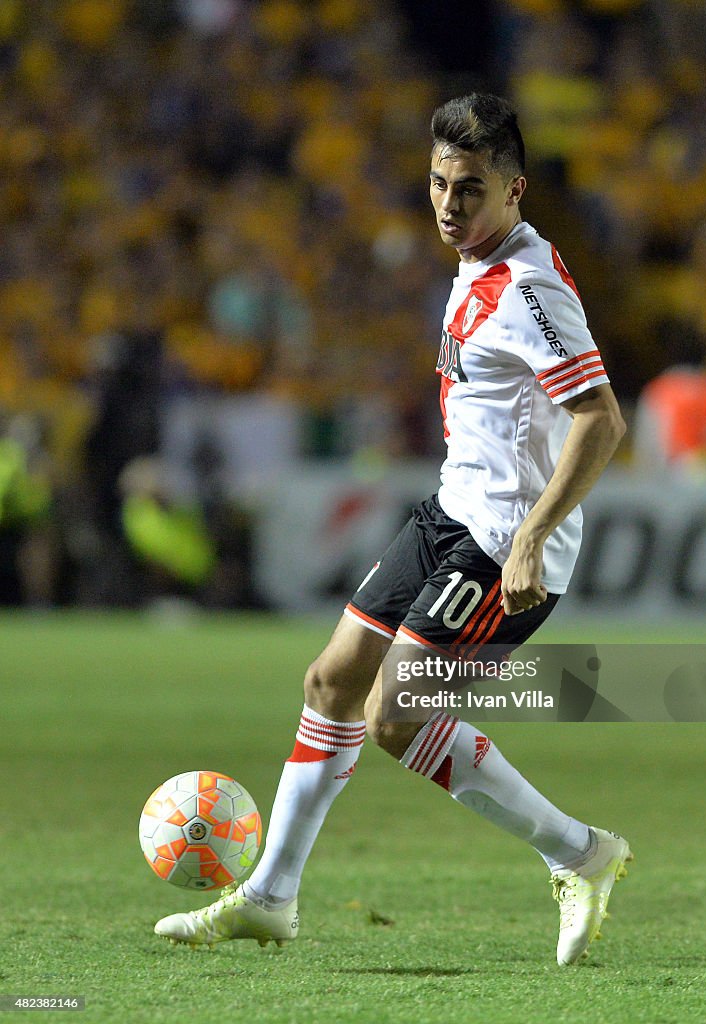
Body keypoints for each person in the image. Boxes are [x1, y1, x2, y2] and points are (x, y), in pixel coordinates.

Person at [154, 94, 631, 967]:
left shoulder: (528, 287)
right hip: (449, 514)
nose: (450, 207)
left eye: (472, 190)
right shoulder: (475, 260)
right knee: (332, 680)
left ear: (515, 190)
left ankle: (580, 852)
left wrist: (531, 535)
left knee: (397, 716)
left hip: (501, 547)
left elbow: (600, 419)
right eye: (440, 186)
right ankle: (269, 897)